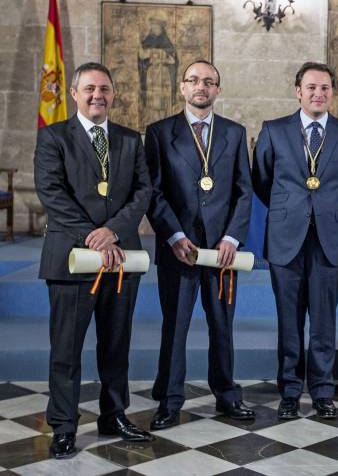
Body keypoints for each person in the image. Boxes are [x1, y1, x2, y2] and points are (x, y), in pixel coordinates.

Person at [34, 62, 154, 459]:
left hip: (119, 256)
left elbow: (143, 190)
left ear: (113, 94)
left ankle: (114, 414)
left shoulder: (128, 139)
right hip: (70, 258)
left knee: (116, 345)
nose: (97, 95)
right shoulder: (53, 137)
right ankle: (64, 426)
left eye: (104, 88)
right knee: (66, 348)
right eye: (89, 88)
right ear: (74, 93)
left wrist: (113, 232)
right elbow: (52, 192)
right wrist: (93, 235)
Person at [144, 60, 254, 430]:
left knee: (222, 325)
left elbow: (243, 191)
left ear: (218, 90)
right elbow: (154, 193)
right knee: (175, 325)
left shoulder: (235, 133)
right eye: (193, 80)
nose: (201, 86)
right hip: (180, 248)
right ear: (182, 87)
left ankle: (227, 395)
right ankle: (170, 400)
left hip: (221, 252)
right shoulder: (159, 133)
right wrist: (174, 236)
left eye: (209, 81)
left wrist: (231, 237)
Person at [252, 61, 338, 419]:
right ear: (298, 90)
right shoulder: (274, 130)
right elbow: (262, 181)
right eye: (311, 87)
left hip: (328, 237)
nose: (319, 93)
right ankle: (288, 391)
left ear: (333, 92)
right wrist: (294, 210)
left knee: (324, 320)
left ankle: (322, 391)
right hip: (286, 235)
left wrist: (322, 210)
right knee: (288, 319)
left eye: (325, 88)